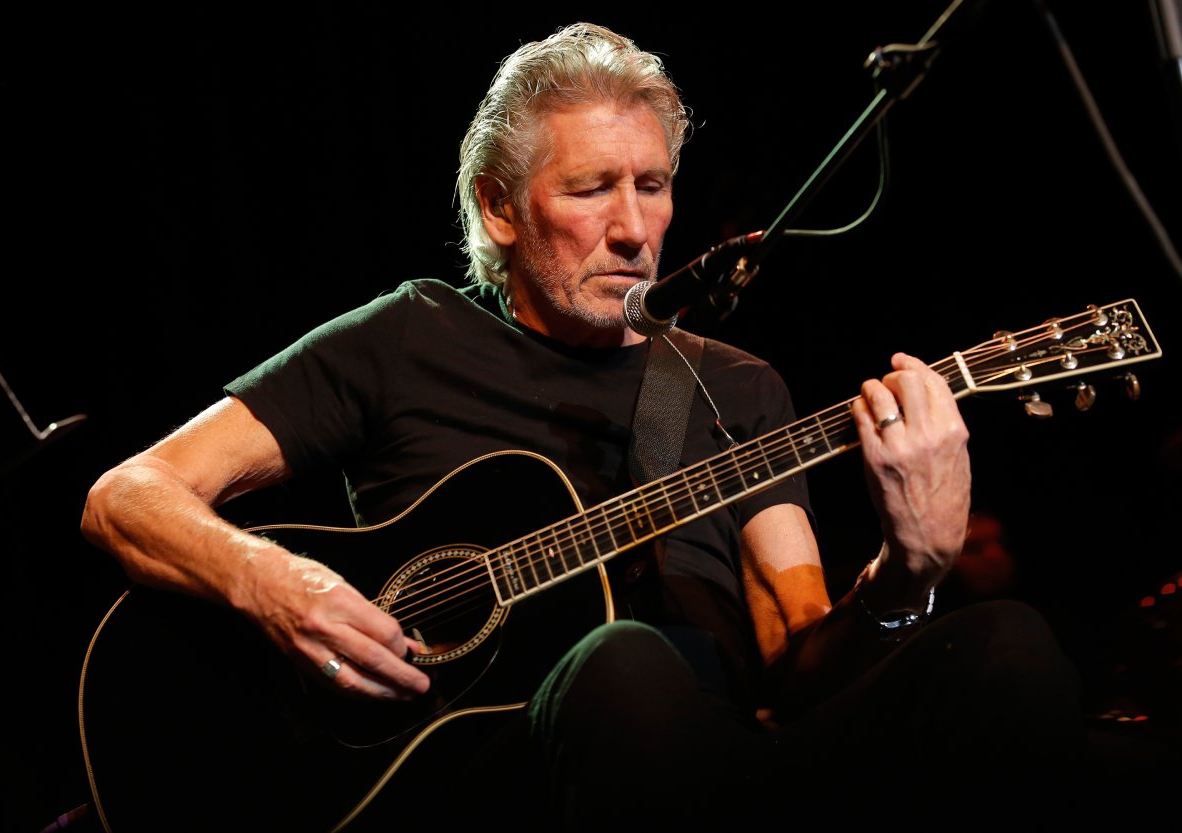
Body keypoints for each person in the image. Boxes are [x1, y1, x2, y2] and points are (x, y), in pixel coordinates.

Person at [79, 21, 1176, 832]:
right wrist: (281, 584)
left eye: (652, 185)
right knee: (621, 665)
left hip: (719, 765)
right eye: (589, 188)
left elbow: (799, 664)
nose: (632, 228)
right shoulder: (403, 336)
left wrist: (908, 569)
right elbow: (126, 495)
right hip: (482, 770)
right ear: (499, 209)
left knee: (1006, 648)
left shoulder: (728, 384)